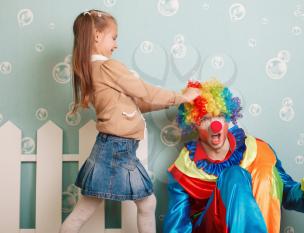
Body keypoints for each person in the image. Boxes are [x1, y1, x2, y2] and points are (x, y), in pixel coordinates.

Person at [59, 9, 200, 233]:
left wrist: (173, 102)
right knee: (87, 210)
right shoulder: (107, 67)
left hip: (117, 147)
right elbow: (143, 91)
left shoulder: (95, 70)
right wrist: (180, 96)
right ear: (97, 36)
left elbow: (138, 103)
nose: (116, 45)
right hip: (115, 148)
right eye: (113, 37)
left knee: (142, 203)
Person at [164, 80, 304, 233]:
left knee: (261, 171)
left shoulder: (258, 150)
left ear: (228, 118)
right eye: (205, 119)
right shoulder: (184, 169)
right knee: (234, 174)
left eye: (219, 116)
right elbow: (177, 227)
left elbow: (284, 192)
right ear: (194, 124)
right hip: (208, 228)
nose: (215, 125)